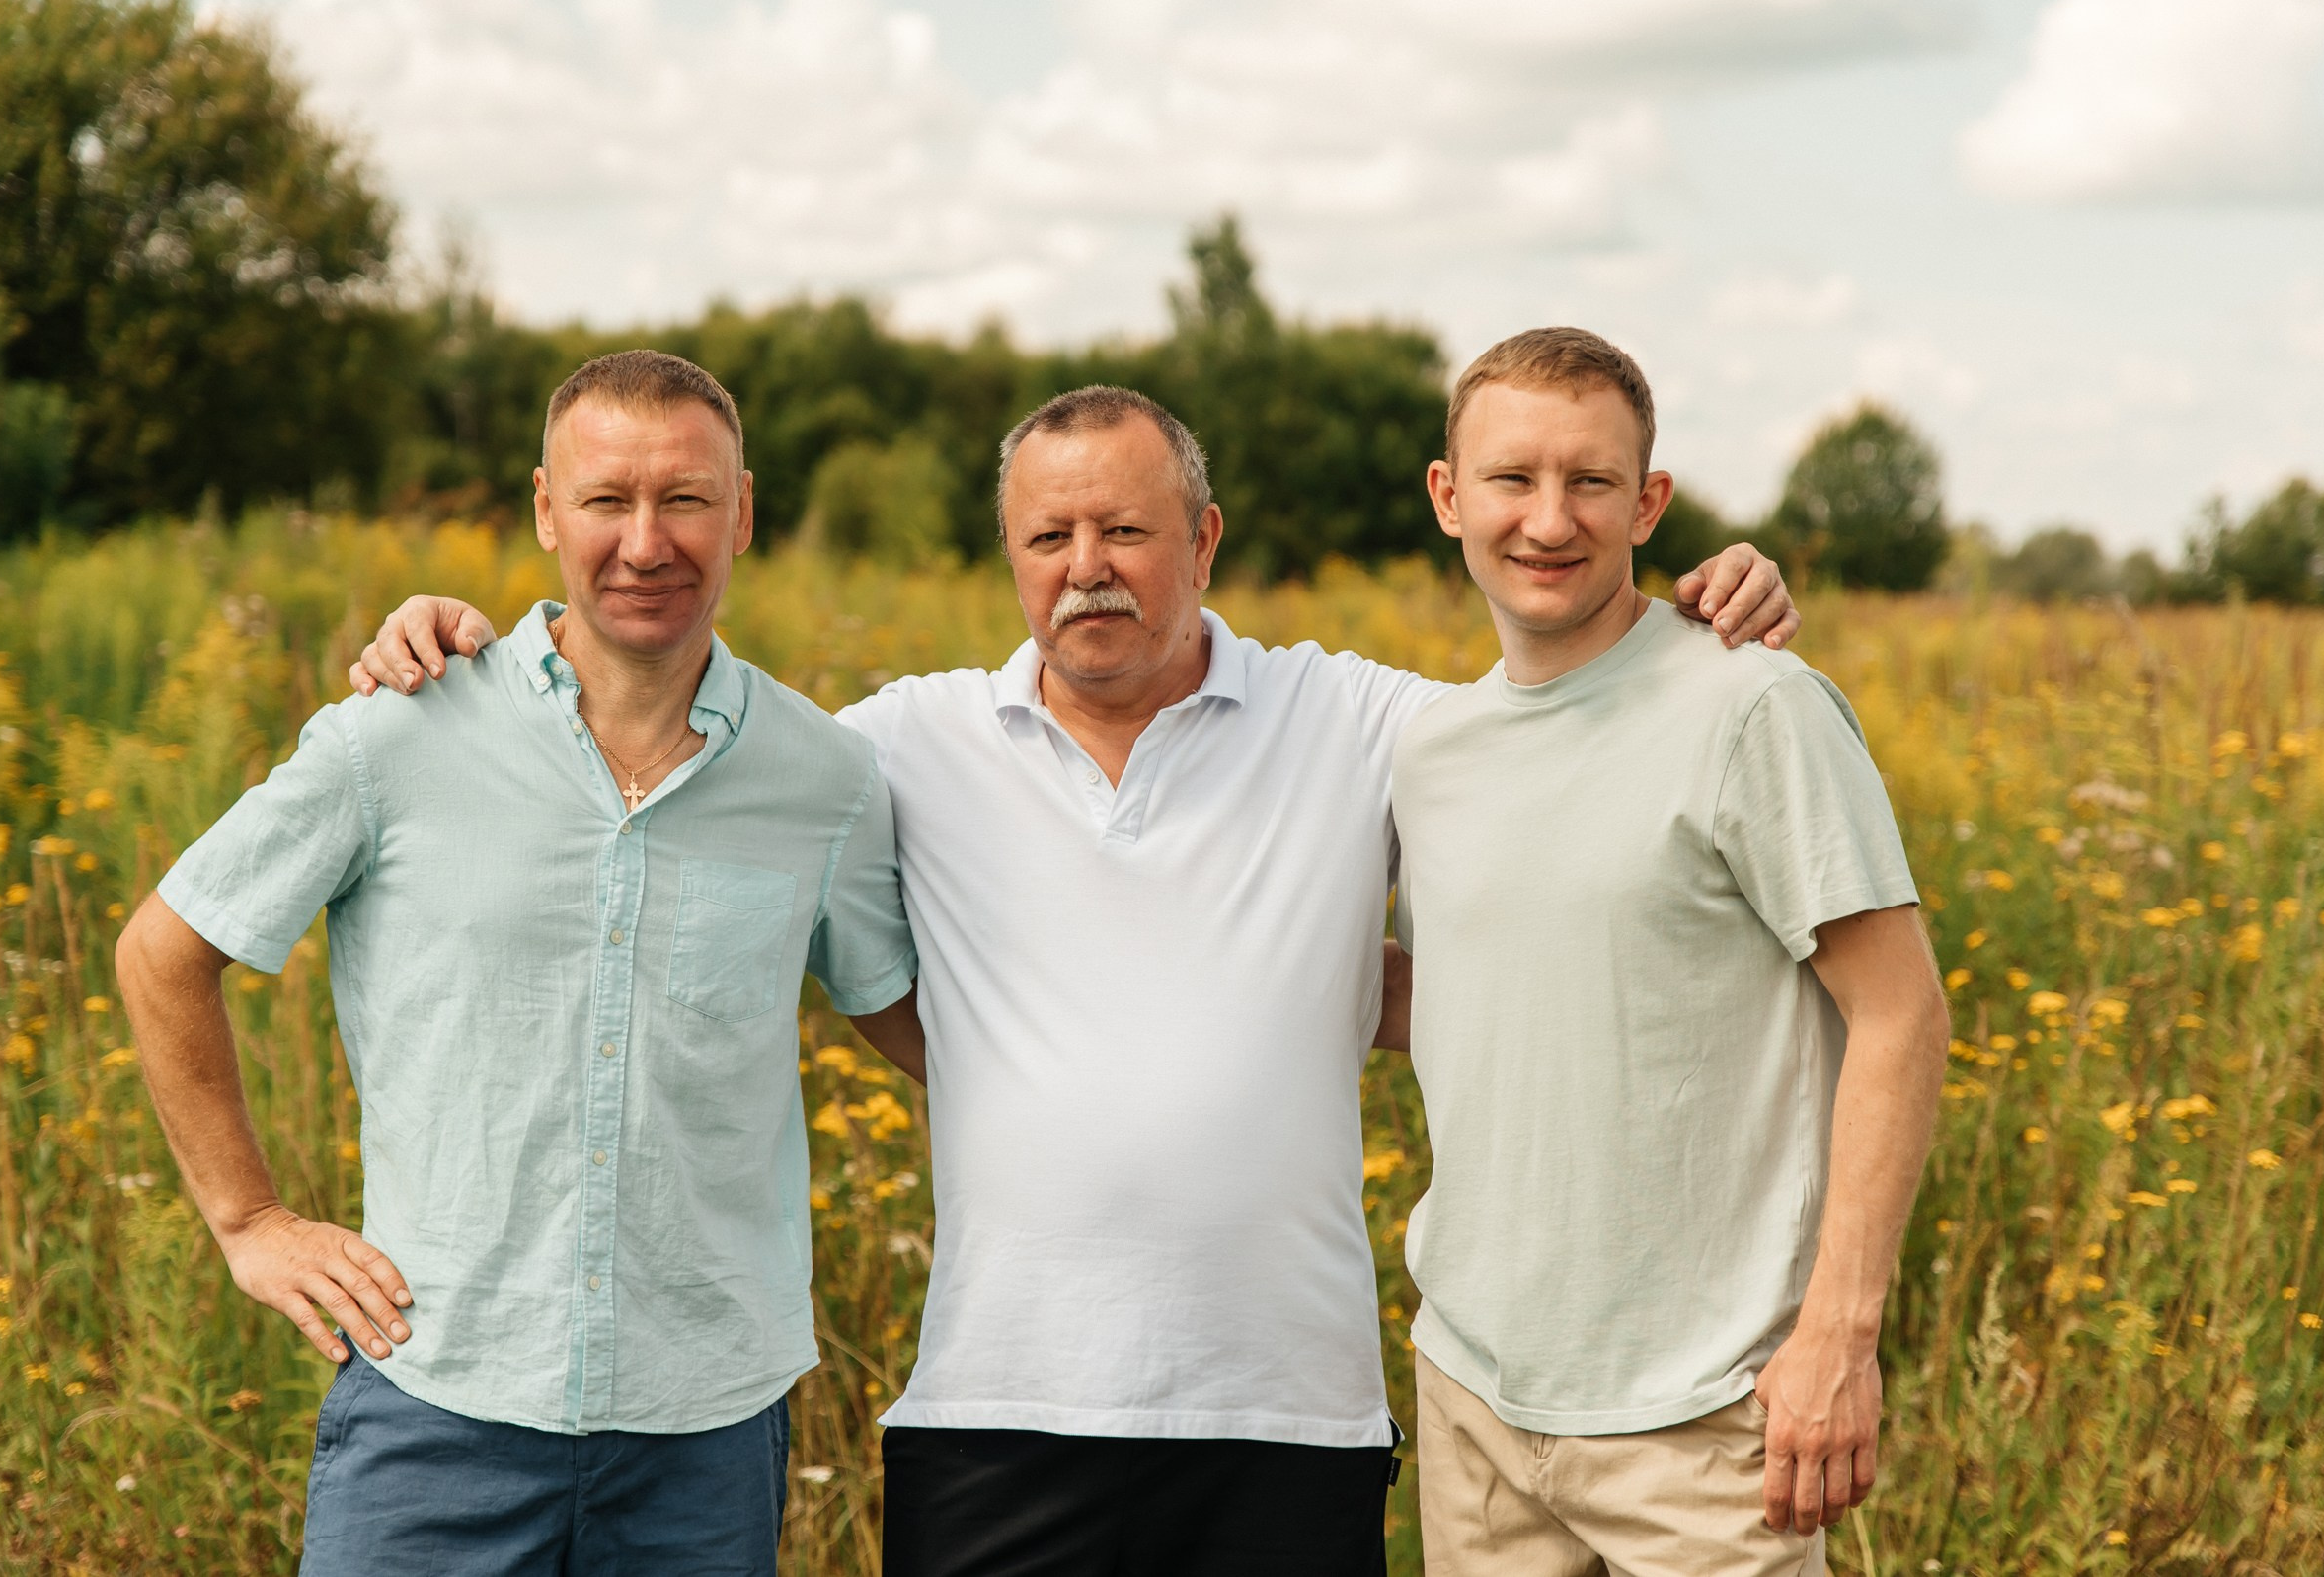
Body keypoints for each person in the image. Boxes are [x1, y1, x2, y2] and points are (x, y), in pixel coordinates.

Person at [352, 384, 1799, 1576]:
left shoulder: (1354, 716)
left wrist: (1690, 622)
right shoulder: (897, 746)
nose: (1087, 563)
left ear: (1207, 540)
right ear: (1009, 553)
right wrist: (464, 641)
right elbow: (671, 726)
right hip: (996, 1416)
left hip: (1286, 1419)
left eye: (1127, 528)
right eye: (1048, 534)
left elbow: (1564, 732)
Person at [115, 350, 920, 1575]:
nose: (646, 542)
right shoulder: (404, 727)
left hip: (702, 1434)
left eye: (686, 500)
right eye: (607, 500)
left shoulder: (827, 779)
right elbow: (165, 949)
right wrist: (251, 1217)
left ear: (743, 512)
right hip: (435, 1410)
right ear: (547, 510)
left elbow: (910, 1017)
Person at [1389, 328, 1948, 1575]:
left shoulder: (1753, 706)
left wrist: (1838, 1336)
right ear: (1447, 498)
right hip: (1477, 1401)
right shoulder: (1431, 751)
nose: (1547, 519)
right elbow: (1482, 995)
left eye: (1590, 481)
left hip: (1705, 1423)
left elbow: (1901, 1014)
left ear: (1648, 504)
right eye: (1510, 479)